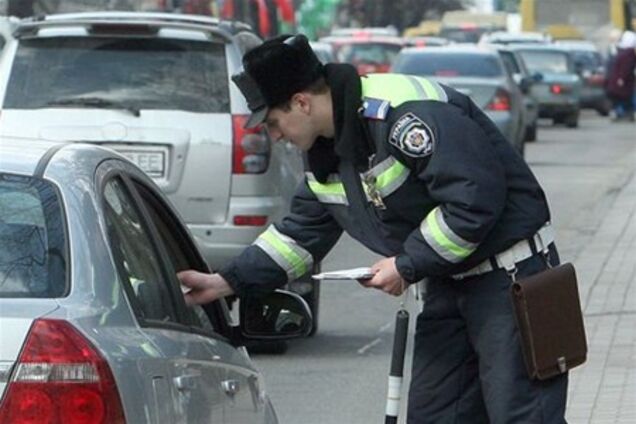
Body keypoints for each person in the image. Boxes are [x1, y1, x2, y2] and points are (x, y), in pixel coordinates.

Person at [178, 34, 568, 423]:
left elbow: (474, 200)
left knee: (525, 416)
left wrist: (406, 264)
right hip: (450, 284)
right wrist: (226, 283)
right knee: (436, 416)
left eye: (274, 122)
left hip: (513, 280)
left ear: (302, 102)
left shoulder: (405, 115)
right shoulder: (326, 151)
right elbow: (298, 235)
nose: (274, 135)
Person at [605, 30, 636, 122]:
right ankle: (622, 112)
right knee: (627, 98)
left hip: (617, 82)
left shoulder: (622, 53)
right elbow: (626, 68)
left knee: (621, 99)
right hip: (623, 83)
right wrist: (622, 78)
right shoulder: (628, 55)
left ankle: (618, 112)